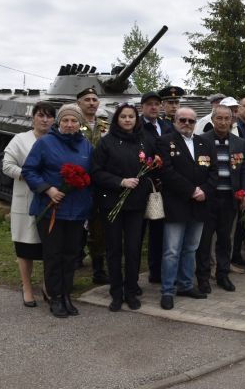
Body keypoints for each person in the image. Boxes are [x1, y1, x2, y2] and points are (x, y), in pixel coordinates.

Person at [22, 104, 93, 318]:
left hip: (76, 210)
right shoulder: (45, 143)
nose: (69, 124)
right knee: (53, 255)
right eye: (65, 120)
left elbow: (92, 175)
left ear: (79, 124)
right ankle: (54, 297)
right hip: (51, 208)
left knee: (71, 255)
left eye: (74, 121)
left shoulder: (86, 146)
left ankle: (66, 295)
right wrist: (48, 189)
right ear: (59, 122)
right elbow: (29, 170)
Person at [92, 103, 155, 311]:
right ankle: (116, 293)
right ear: (117, 120)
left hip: (136, 205)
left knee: (133, 249)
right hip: (112, 204)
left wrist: (142, 183)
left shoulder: (144, 141)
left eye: (131, 117)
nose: (128, 120)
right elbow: (97, 172)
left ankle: (131, 289)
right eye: (123, 117)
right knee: (114, 249)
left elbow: (150, 171)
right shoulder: (106, 143)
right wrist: (120, 182)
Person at [156, 107, 218, 310]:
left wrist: (204, 191)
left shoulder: (204, 143)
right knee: (172, 250)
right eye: (182, 120)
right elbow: (166, 172)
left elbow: (214, 172)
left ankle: (185, 284)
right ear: (175, 121)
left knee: (191, 248)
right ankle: (167, 290)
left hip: (200, 204)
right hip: (176, 203)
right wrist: (191, 190)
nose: (187, 124)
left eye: (191, 121)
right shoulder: (165, 141)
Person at [2, 101, 55, 307]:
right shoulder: (20, 139)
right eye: (40, 115)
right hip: (26, 199)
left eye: (49, 116)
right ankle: (26, 287)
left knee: (49, 248)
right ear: (33, 118)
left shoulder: (56, 140)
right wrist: (29, 176)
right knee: (25, 246)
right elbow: (7, 165)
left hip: (51, 200)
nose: (44, 119)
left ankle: (47, 285)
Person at [197, 105, 245, 293]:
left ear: (232, 120)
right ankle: (203, 277)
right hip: (208, 200)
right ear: (213, 120)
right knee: (204, 241)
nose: (223, 122)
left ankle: (223, 274)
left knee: (225, 240)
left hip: (230, 199)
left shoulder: (239, 143)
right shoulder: (201, 141)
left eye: (226, 118)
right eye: (219, 118)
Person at [140, 91, 174, 284]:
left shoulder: (166, 125)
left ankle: (158, 270)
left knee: (160, 229)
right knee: (143, 230)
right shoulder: (138, 126)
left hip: (165, 184)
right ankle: (145, 272)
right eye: (149, 104)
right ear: (142, 106)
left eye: (156, 104)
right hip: (145, 182)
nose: (153, 107)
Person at [76, 87, 109, 284]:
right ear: (79, 103)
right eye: (86, 99)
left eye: (94, 99)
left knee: (98, 228)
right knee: (76, 225)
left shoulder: (105, 126)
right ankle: (74, 259)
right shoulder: (72, 123)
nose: (91, 103)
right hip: (77, 183)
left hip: (99, 183)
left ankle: (98, 269)